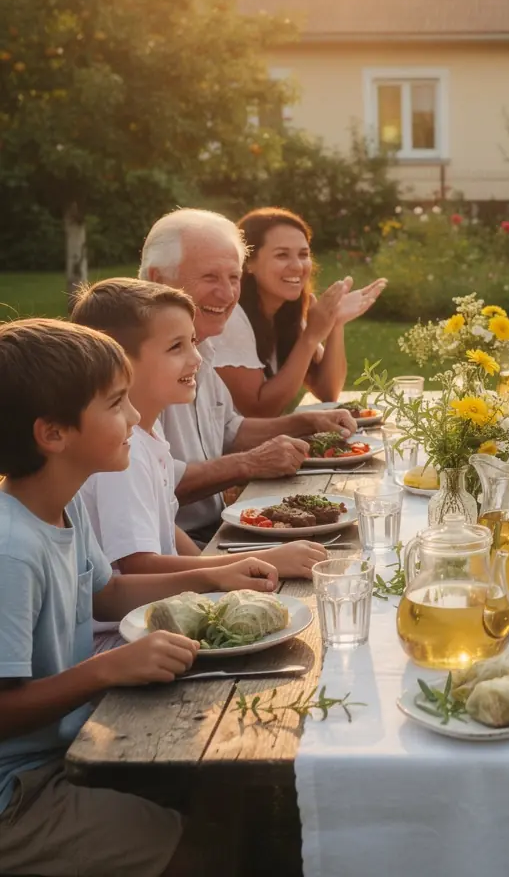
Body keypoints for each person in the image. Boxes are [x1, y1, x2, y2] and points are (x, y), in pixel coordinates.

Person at [0, 318, 281, 877]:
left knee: (237, 798)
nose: (134, 418)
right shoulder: (12, 549)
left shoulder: (64, 504)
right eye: (115, 404)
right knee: (207, 851)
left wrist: (215, 574)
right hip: (18, 794)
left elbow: (109, 593)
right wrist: (105, 671)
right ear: (53, 434)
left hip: (60, 749)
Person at [71, 279, 329, 650]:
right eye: (177, 347)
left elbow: (167, 528)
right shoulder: (121, 453)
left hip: (158, 617)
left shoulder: (149, 432)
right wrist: (253, 561)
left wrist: (233, 574)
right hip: (124, 639)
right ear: (117, 360)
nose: (197, 358)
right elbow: (139, 565)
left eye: (193, 342)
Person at [138, 208, 358, 541]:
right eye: (210, 277)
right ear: (157, 279)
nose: (227, 295)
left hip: (213, 530)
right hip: (175, 543)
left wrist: (308, 423)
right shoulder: (136, 362)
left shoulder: (203, 345)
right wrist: (249, 464)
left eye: (234, 277)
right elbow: (155, 484)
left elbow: (229, 428)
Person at [209, 207, 387, 418]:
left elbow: (328, 391)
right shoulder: (232, 319)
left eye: (303, 255)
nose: (297, 266)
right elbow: (260, 411)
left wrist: (335, 323)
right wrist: (311, 336)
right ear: (248, 263)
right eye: (282, 255)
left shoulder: (285, 312)